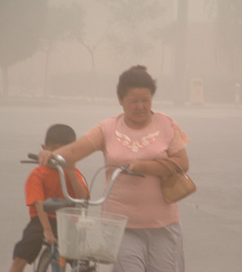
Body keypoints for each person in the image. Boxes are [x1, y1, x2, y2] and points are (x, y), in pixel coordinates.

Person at [38, 65, 190, 272]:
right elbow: (75, 150)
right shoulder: (108, 128)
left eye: (145, 100)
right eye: (134, 101)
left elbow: (182, 163)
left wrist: (144, 166)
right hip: (121, 226)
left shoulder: (167, 125)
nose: (140, 106)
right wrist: (53, 155)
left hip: (164, 226)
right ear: (120, 100)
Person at [10, 124, 89, 272]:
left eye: (65, 151)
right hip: (42, 220)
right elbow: (39, 204)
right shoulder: (38, 174)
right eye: (54, 149)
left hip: (67, 220)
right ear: (45, 148)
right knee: (23, 253)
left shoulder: (73, 172)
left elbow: (82, 198)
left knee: (85, 258)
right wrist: (47, 230)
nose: (58, 155)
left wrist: (70, 170)